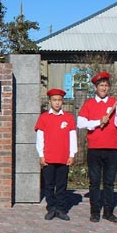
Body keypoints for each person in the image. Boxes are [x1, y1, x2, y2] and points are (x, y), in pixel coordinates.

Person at [77, 72, 117, 223]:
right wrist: (99, 121)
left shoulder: (114, 102)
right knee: (95, 182)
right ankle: (95, 212)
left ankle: (108, 212)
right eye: (101, 85)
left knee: (109, 182)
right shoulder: (89, 104)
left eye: (106, 85)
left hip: (111, 149)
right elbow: (81, 123)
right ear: (96, 87)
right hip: (95, 149)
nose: (104, 88)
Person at [35, 88, 77, 221]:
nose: (57, 103)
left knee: (61, 185)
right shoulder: (44, 117)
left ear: (62, 102)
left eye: (59, 100)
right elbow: (40, 137)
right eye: (54, 100)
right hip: (49, 157)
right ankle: (51, 208)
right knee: (49, 184)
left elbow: (72, 137)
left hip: (63, 157)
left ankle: (61, 209)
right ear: (50, 102)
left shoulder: (68, 118)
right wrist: (41, 155)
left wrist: (72, 154)